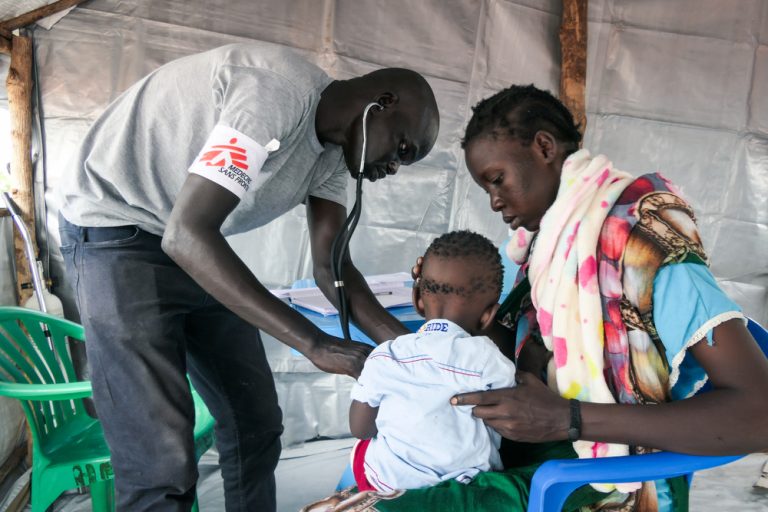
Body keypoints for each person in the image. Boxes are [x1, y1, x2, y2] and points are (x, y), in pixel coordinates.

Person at [307, 85, 768, 511]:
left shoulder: (644, 244)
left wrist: (569, 419)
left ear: (544, 148)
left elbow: (758, 415)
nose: (494, 201)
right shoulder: (550, 250)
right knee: (374, 465)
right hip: (532, 444)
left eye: (497, 179)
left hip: (598, 473)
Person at [56, 41, 439, 512]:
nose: (394, 168)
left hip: (184, 241)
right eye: (402, 148)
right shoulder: (276, 92)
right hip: (116, 231)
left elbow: (332, 267)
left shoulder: (332, 160)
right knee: (160, 464)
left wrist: (412, 352)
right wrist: (315, 345)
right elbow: (188, 234)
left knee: (255, 424)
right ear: (383, 103)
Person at [347, 230, 517, 492]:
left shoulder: (384, 356)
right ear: (488, 315)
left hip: (391, 483)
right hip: (469, 483)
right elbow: (507, 425)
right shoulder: (490, 360)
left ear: (417, 300)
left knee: (363, 449)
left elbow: (360, 428)